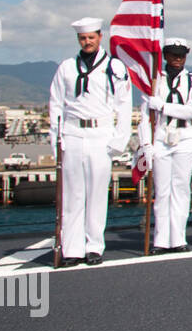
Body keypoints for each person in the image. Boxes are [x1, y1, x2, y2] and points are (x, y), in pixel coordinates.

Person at [48, 17, 133, 266]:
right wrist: (56, 138)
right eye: (83, 38)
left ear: (99, 37)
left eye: (91, 37)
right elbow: (56, 103)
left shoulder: (115, 68)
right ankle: (71, 249)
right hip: (73, 133)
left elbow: (124, 106)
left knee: (96, 194)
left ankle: (94, 246)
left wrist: (119, 140)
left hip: (100, 134)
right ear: (78, 39)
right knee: (72, 195)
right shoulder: (66, 67)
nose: (87, 42)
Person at [138, 37, 192, 253]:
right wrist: (145, 143)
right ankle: (161, 239)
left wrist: (163, 106)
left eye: (181, 54)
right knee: (163, 190)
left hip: (184, 136)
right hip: (161, 137)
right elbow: (144, 115)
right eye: (173, 54)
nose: (177, 58)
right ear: (164, 55)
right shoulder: (154, 80)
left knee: (181, 188)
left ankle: (178, 238)